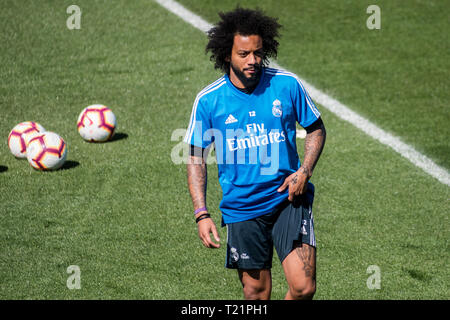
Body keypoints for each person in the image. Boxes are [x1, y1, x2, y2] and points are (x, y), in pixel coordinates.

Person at [184, 7, 326, 300]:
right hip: (243, 208)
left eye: (258, 53)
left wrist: (305, 171)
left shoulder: (286, 85)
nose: (253, 61)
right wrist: (201, 213)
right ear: (227, 55)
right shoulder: (209, 101)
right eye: (244, 54)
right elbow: (196, 158)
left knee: (303, 287)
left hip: (289, 197)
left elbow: (316, 128)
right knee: (257, 294)